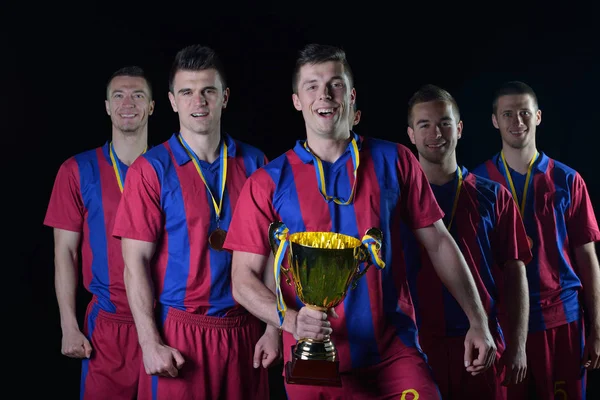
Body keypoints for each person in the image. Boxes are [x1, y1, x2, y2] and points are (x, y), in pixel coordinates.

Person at [223, 43, 496, 400]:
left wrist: (478, 320)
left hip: (392, 351)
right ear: (297, 100)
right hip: (311, 360)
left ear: (351, 96)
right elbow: (242, 280)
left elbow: (440, 242)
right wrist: (287, 321)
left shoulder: (395, 159)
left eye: (335, 84)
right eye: (312, 86)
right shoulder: (267, 181)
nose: (325, 94)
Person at [111, 45, 277, 400]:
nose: (198, 101)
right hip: (180, 333)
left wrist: (273, 328)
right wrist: (150, 342)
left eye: (208, 91)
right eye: (187, 92)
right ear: (172, 101)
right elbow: (134, 264)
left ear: (224, 97)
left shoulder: (257, 163)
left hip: (244, 332)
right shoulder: (151, 169)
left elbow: (273, 251)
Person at [473, 81, 600, 399]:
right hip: (502, 324)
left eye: (525, 113)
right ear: (494, 120)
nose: (517, 122)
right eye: (508, 114)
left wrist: (597, 329)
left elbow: (587, 258)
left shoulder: (567, 180)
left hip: (562, 321)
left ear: (538, 116)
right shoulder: (477, 183)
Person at [404, 84, 532, 399]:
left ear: (459, 128)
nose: (436, 132)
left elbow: (515, 274)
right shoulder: (396, 200)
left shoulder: (494, 196)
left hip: (481, 341)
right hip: (415, 345)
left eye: (444, 122)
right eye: (425, 125)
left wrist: (517, 346)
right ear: (411, 135)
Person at [43, 65, 154, 399]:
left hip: (166, 320)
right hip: (108, 325)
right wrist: (68, 325)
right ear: (107, 106)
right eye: (118, 95)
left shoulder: (171, 166)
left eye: (138, 95)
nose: (127, 102)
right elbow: (65, 252)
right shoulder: (76, 170)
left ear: (152, 106)